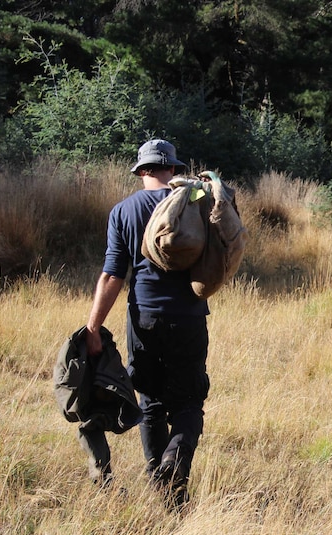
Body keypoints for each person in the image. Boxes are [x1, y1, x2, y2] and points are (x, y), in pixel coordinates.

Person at [85, 138, 211, 510]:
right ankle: (176, 459)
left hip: (144, 318)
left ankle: (163, 490)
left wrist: (93, 328)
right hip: (189, 317)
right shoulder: (196, 204)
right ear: (172, 169)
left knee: (151, 402)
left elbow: (112, 276)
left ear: (141, 172)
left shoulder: (123, 211)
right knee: (189, 402)